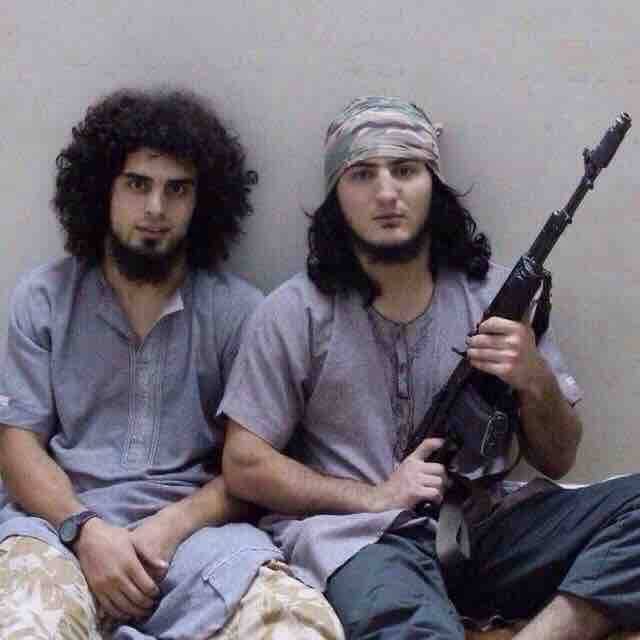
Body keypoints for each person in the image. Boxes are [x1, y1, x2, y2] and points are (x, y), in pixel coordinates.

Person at [220, 96, 640, 640]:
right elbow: (244, 464)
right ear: (335, 196)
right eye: (362, 174)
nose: (386, 192)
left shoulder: (492, 296)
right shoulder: (294, 312)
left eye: (405, 169)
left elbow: (558, 459)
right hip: (364, 539)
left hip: (485, 528)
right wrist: (376, 496)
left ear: (434, 186)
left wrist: (534, 377)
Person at [0, 88, 343, 640]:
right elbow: (17, 449)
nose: (156, 209)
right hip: (60, 533)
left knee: (298, 626)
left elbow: (252, 467)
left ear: (202, 202)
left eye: (177, 189)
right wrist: (85, 531)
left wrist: (167, 528)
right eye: (138, 184)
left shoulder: (241, 312)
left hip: (201, 543)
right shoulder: (44, 299)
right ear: (102, 190)